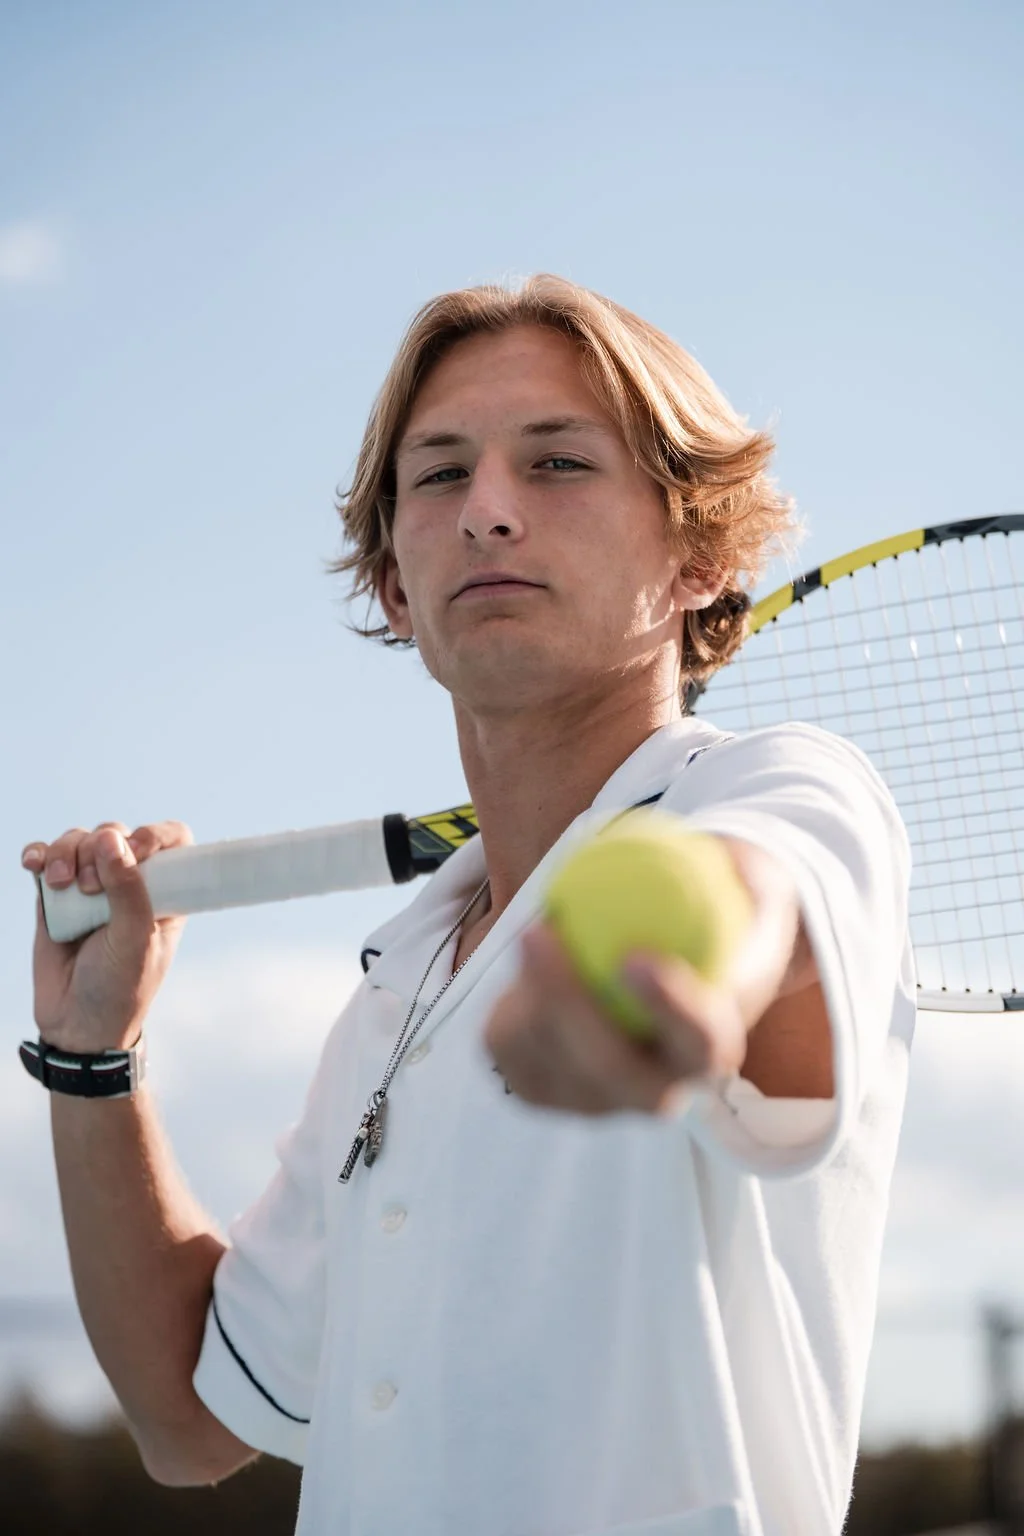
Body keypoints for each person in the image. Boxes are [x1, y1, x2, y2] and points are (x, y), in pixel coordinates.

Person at [20, 275, 915, 1536]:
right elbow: (186, 1422)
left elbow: (745, 899)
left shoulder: (780, 787)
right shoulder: (394, 998)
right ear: (393, 585)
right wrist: (89, 1055)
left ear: (701, 557)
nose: (488, 512)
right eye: (439, 477)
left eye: (557, 463)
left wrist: (660, 977)